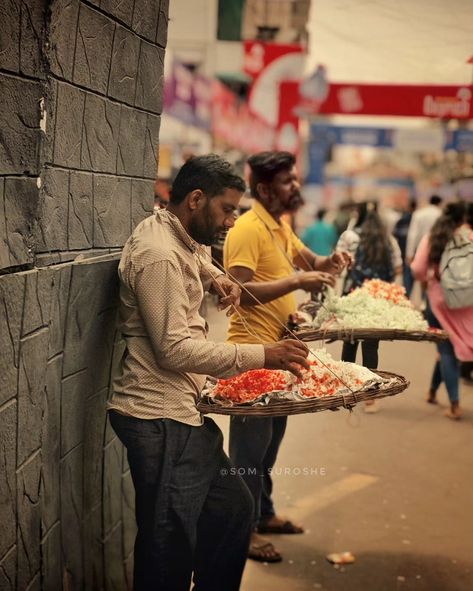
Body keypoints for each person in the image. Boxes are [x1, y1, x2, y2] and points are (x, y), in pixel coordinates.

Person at [107, 154, 310, 591]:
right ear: (196, 199)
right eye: (228, 209)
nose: (233, 221)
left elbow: (196, 254)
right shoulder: (158, 257)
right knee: (168, 544)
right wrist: (263, 355)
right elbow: (174, 351)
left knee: (233, 508)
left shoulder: (174, 231)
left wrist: (216, 276)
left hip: (183, 411)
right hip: (158, 418)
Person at [223, 151, 351, 563]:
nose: (295, 186)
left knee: (270, 446)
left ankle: (264, 515)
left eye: (294, 180)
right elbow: (236, 292)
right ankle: (239, 534)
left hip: (282, 353)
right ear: (264, 189)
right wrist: (297, 280)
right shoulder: (247, 228)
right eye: (287, 181)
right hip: (253, 355)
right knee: (247, 455)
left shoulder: (279, 225)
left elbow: (310, 262)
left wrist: (330, 262)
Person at [337, 202, 402, 413]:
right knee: (371, 345)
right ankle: (371, 396)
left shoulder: (349, 236)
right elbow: (397, 267)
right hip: (377, 297)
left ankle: (347, 390)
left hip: (353, 296)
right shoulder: (388, 239)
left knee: (350, 342)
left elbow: (338, 263)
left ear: (359, 214)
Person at [411, 201, 473, 420]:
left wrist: (429, 279)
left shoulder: (433, 238)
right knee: (449, 349)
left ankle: (455, 406)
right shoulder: (469, 237)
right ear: (463, 219)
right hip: (466, 303)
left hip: (439, 302)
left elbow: (417, 269)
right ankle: (432, 392)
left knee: (446, 351)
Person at [406, 194, 442, 263]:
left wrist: (409, 253)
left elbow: (413, 234)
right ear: (439, 203)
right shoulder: (440, 214)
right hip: (436, 250)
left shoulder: (418, 214)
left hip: (420, 249)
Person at [393, 198, 416, 296]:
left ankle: (407, 293)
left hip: (402, 249)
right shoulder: (415, 219)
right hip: (413, 252)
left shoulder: (401, 220)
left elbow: (396, 234)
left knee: (406, 274)